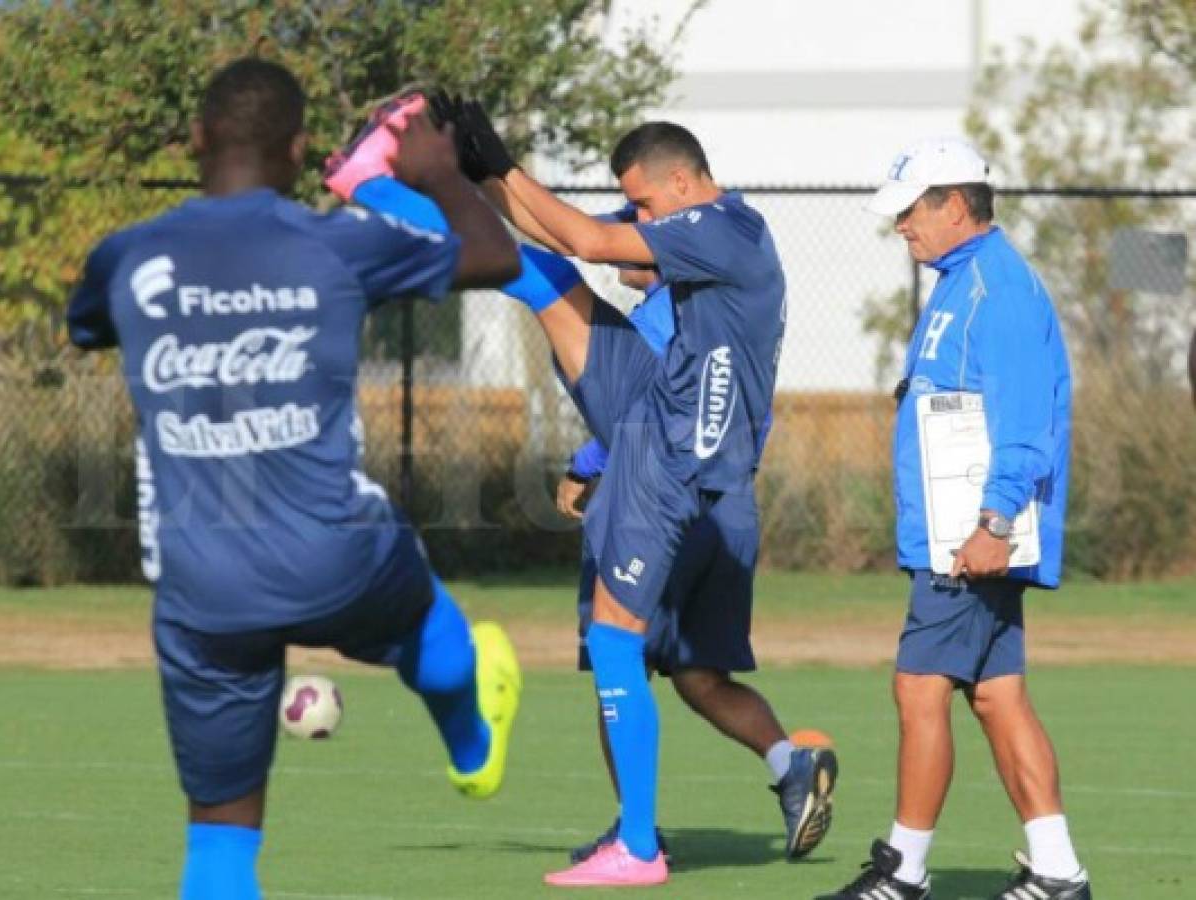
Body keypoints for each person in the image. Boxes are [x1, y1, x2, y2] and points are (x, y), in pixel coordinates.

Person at [66, 58, 523, 900]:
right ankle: (467, 732)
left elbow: (86, 324)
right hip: (334, 555)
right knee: (427, 621)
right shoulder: (335, 244)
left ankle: (464, 717)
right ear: (300, 145)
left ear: (198, 139)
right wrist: (438, 176)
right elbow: (495, 257)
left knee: (218, 844)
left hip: (203, 588)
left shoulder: (127, 256)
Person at [446, 101, 836, 888]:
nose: (635, 225)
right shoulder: (714, 246)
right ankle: (787, 763)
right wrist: (493, 172)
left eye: (647, 209)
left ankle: (636, 841)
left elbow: (578, 249)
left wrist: (498, 169)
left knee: (615, 647)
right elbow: (563, 237)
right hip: (717, 491)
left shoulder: (714, 239)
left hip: (667, 479)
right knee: (695, 674)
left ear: (686, 186)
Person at [815, 138, 1089, 900]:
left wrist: (994, 523)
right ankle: (1058, 871)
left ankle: (902, 873)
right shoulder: (958, 281)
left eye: (910, 211)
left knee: (917, 687)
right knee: (997, 695)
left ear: (956, 205)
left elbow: (1026, 420)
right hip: (955, 530)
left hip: (970, 536)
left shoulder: (993, 289)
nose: (900, 226)